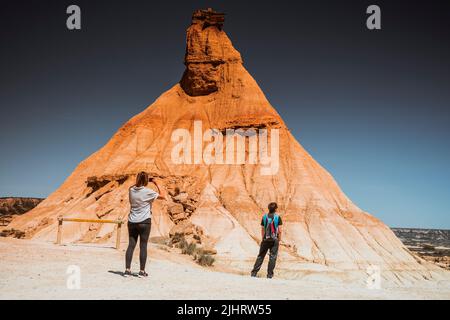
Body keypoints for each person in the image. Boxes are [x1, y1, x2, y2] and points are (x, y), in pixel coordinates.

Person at [124, 172, 166, 277]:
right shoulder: (148, 192)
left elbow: (133, 187)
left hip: (132, 221)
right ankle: (142, 271)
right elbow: (163, 196)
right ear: (147, 180)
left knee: (131, 245)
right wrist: (156, 183)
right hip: (144, 222)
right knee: (143, 246)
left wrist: (141, 180)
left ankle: (127, 270)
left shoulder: (131, 190)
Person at [251, 202, 283, 279]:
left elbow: (262, 229)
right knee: (272, 257)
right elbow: (280, 230)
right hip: (274, 240)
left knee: (261, 256)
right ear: (275, 209)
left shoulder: (264, 217)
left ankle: (254, 273)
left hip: (265, 239)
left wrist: (263, 238)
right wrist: (279, 239)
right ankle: (269, 275)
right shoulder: (278, 217)